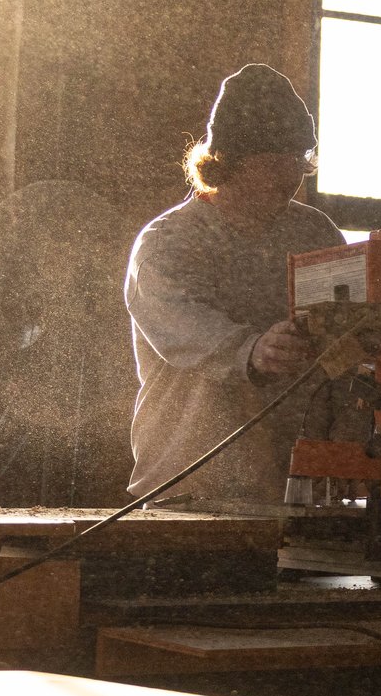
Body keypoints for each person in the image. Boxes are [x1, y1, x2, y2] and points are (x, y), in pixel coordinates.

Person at [122, 64, 347, 507]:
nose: (290, 176)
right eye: (273, 162)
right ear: (228, 161)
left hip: (298, 489)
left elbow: (348, 339)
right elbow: (182, 329)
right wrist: (251, 349)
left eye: (298, 160)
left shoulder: (315, 235)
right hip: (193, 485)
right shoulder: (169, 241)